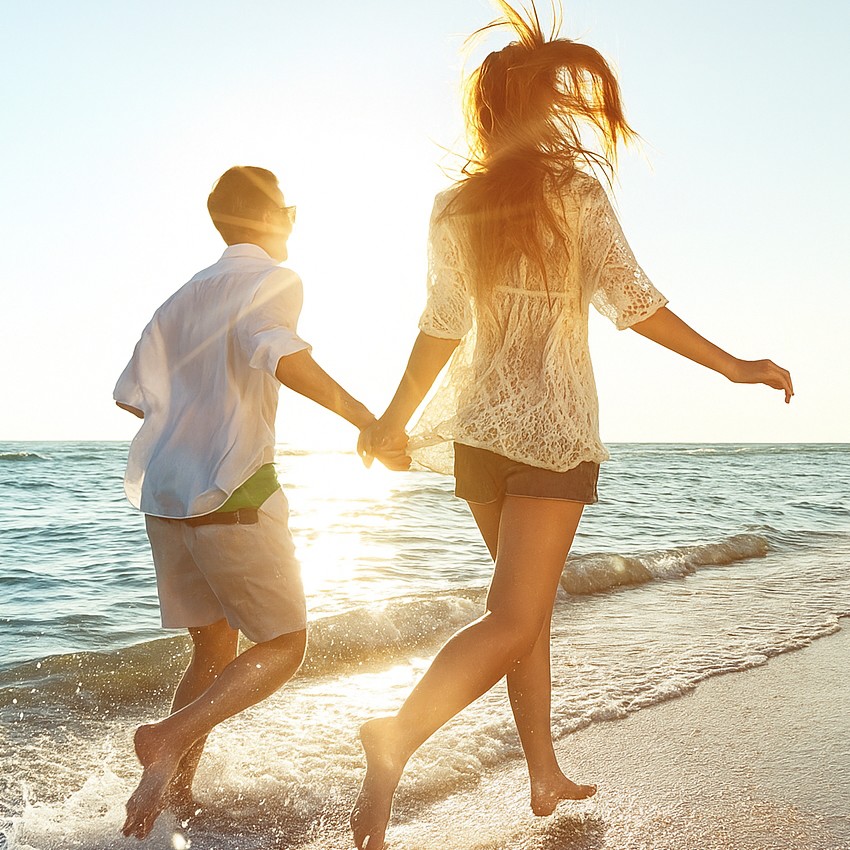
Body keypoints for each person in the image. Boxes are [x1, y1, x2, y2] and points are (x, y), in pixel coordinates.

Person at [350, 3, 794, 848]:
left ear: (486, 114)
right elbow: (636, 302)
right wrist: (733, 366)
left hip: (481, 435)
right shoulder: (574, 193)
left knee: (520, 612)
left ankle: (543, 770)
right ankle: (395, 736)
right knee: (517, 617)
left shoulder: (453, 206)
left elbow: (440, 325)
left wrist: (393, 420)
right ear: (541, 109)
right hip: (552, 434)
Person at [114, 165, 404, 840]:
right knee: (286, 645)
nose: (292, 223)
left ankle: (174, 797)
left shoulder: (180, 297)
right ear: (275, 216)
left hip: (166, 497)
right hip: (233, 489)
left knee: (213, 649)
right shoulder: (274, 279)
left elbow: (133, 397)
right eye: (288, 211)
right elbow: (280, 353)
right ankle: (166, 738)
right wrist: (366, 419)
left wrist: (195, 415)